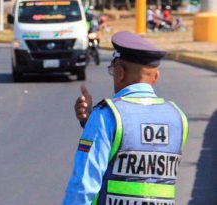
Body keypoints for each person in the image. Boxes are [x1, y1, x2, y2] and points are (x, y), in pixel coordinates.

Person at [63, 31, 189, 205]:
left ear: (120, 73)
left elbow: (84, 186)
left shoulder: (106, 115)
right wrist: (90, 124)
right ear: (156, 77)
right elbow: (142, 148)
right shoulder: (178, 118)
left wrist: (94, 124)